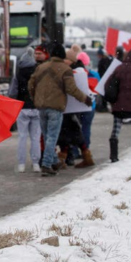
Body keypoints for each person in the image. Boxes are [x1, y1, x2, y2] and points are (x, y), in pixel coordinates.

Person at [28, 43, 91, 176]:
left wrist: (35, 98)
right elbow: (71, 89)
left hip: (41, 107)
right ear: (62, 55)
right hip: (55, 107)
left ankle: (55, 161)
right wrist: (85, 98)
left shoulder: (41, 67)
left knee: (46, 136)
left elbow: (31, 85)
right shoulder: (65, 69)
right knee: (52, 136)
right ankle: (46, 164)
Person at [9, 46, 43, 172]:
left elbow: (13, 92)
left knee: (22, 137)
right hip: (36, 107)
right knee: (36, 137)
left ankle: (21, 164)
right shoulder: (38, 72)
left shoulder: (18, 73)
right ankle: (36, 163)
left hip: (22, 108)